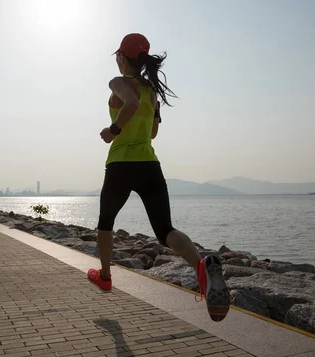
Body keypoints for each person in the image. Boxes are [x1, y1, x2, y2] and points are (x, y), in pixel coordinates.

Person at [87, 33, 230, 322]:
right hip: (150, 165)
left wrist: (112, 131)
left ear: (123, 58)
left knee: (105, 223)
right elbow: (152, 133)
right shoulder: (152, 91)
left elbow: (127, 103)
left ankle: (104, 276)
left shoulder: (119, 83)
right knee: (164, 229)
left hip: (121, 165)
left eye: (118, 55)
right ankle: (201, 265)